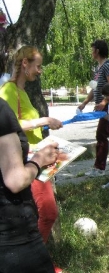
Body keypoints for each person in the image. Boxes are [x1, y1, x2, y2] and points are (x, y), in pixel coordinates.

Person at [0, 46, 64, 273]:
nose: (40, 71)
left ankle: (39, 257)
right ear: (24, 64)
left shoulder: (23, 92)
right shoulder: (8, 91)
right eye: (37, 65)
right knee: (47, 212)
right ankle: (35, 259)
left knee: (45, 212)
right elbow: (11, 124)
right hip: (24, 162)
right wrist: (44, 120)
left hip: (34, 160)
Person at [78, 39, 109, 177]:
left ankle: (99, 168)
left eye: (92, 50)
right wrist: (85, 102)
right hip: (103, 106)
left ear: (97, 51)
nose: (91, 52)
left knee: (102, 135)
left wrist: (104, 102)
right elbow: (95, 89)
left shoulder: (108, 66)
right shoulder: (97, 69)